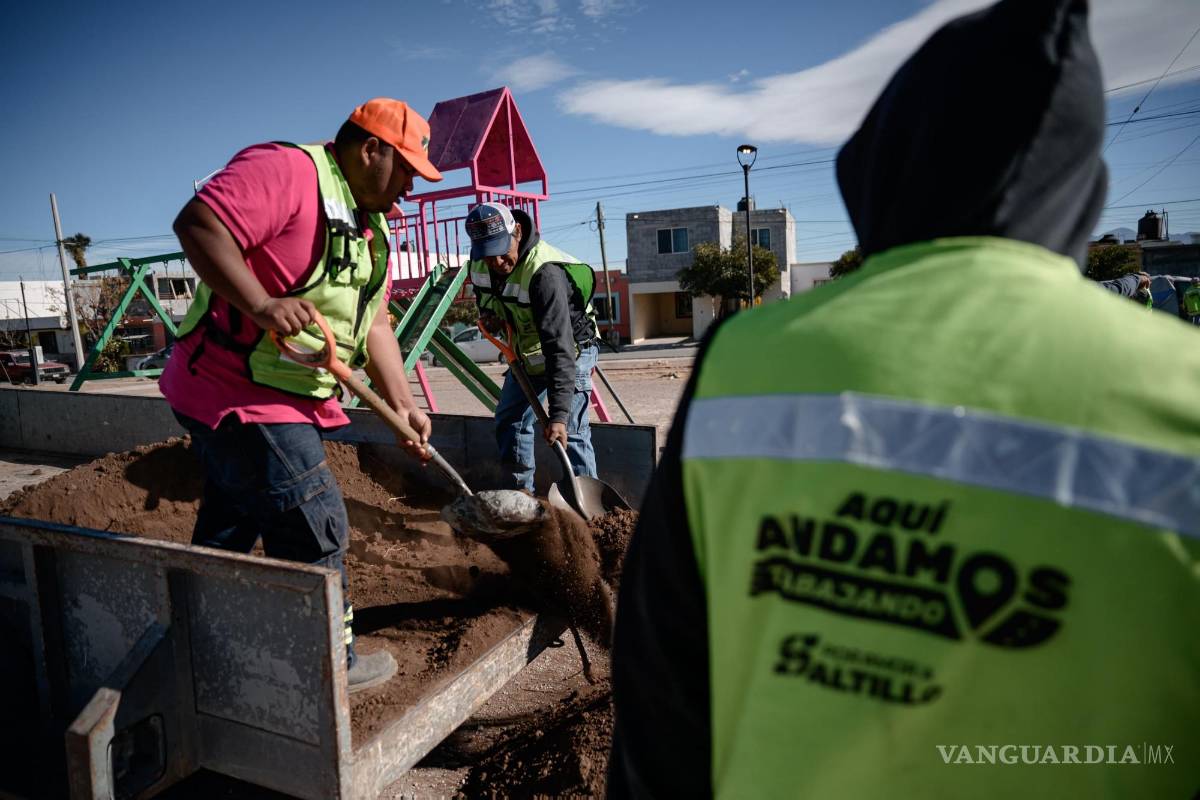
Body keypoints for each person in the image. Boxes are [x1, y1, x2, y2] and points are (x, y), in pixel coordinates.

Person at [609, 0, 1200, 797]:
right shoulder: (1180, 389)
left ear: (881, 159)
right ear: (1079, 191)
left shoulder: (741, 360)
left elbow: (660, 695)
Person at [161, 98, 441, 692]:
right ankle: (328, 669)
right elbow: (198, 223)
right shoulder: (290, 171)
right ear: (371, 150)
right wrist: (261, 304)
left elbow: (376, 323)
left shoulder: (371, 229)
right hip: (237, 391)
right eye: (406, 170)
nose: (411, 187)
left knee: (234, 520)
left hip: (283, 397)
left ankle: (199, 646)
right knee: (317, 525)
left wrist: (402, 404)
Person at [464, 202, 601, 491]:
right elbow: (488, 299)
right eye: (488, 255)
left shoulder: (544, 275)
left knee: (571, 431)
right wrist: (491, 316)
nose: (497, 262)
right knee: (510, 419)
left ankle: (588, 508)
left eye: (502, 250)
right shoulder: (478, 265)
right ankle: (520, 495)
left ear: (517, 232)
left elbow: (560, 347)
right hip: (527, 350)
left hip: (571, 348)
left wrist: (558, 415)